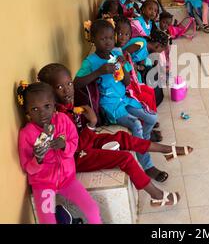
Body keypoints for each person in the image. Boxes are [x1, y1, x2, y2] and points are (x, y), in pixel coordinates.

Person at [38, 63, 193, 207]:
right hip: (73, 157)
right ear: (49, 92)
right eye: (59, 87)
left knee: (121, 137)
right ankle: (157, 196)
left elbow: (78, 135)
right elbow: (75, 147)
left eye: (69, 83)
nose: (67, 90)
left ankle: (166, 150)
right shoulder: (56, 117)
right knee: (125, 158)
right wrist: (91, 125)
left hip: (82, 141)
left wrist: (88, 126)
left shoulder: (66, 106)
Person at [74, 19, 168, 182]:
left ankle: (143, 142)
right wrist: (98, 72)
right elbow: (76, 83)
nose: (108, 42)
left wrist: (122, 68)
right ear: (93, 40)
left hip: (124, 99)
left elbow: (126, 82)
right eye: (103, 39)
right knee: (136, 124)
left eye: (111, 37)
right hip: (109, 105)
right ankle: (147, 166)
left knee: (152, 117)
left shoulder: (116, 54)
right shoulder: (90, 62)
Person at [17, 82, 102, 224]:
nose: (42, 113)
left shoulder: (63, 120)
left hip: (68, 180)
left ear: (54, 105)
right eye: (34, 109)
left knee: (92, 209)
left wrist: (64, 146)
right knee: (48, 221)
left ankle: (65, 217)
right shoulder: (27, 134)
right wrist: (37, 159)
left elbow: (74, 142)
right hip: (43, 185)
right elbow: (27, 167)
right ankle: (64, 217)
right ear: (27, 111)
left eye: (47, 106)